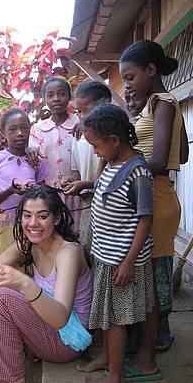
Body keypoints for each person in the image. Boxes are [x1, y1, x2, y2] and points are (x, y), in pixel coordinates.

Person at [0, 185, 93, 383]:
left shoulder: (68, 253)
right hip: (44, 328)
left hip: (68, 340)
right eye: (27, 216)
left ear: (57, 218)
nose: (33, 223)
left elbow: (60, 318)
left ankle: (10, 379)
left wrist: (24, 284)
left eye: (42, 216)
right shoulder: (27, 244)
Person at [119, 39, 188, 379]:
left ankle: (147, 355)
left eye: (130, 77)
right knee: (154, 273)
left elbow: (161, 159)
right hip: (159, 194)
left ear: (150, 71)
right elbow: (184, 153)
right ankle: (153, 340)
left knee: (148, 276)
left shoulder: (162, 103)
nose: (127, 85)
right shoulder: (163, 104)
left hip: (157, 197)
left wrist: (124, 170)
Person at [81, 104, 155, 383]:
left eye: (96, 145)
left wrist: (128, 262)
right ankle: (107, 359)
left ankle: (115, 375)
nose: (94, 151)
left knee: (115, 321)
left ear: (114, 141)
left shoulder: (138, 172)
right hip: (105, 255)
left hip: (122, 261)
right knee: (106, 315)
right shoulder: (112, 164)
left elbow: (145, 220)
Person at [0, 108, 49, 257]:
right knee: (6, 270)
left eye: (24, 128)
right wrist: (10, 191)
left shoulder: (37, 161)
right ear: (3, 133)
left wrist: (34, 191)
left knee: (31, 269)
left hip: (33, 226)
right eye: (13, 129)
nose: (20, 133)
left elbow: (46, 198)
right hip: (6, 226)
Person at [28, 76, 81, 232]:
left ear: (69, 96)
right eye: (50, 95)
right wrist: (29, 151)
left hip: (76, 190)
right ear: (45, 100)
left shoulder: (80, 124)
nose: (56, 99)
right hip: (50, 193)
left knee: (76, 232)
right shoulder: (37, 129)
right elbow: (34, 158)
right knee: (53, 234)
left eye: (61, 94)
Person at [67, 80, 112, 252]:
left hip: (112, 205)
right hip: (89, 205)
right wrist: (73, 182)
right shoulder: (77, 137)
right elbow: (78, 173)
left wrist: (85, 184)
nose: (83, 117)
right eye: (79, 112)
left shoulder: (115, 136)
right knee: (88, 251)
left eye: (88, 110)